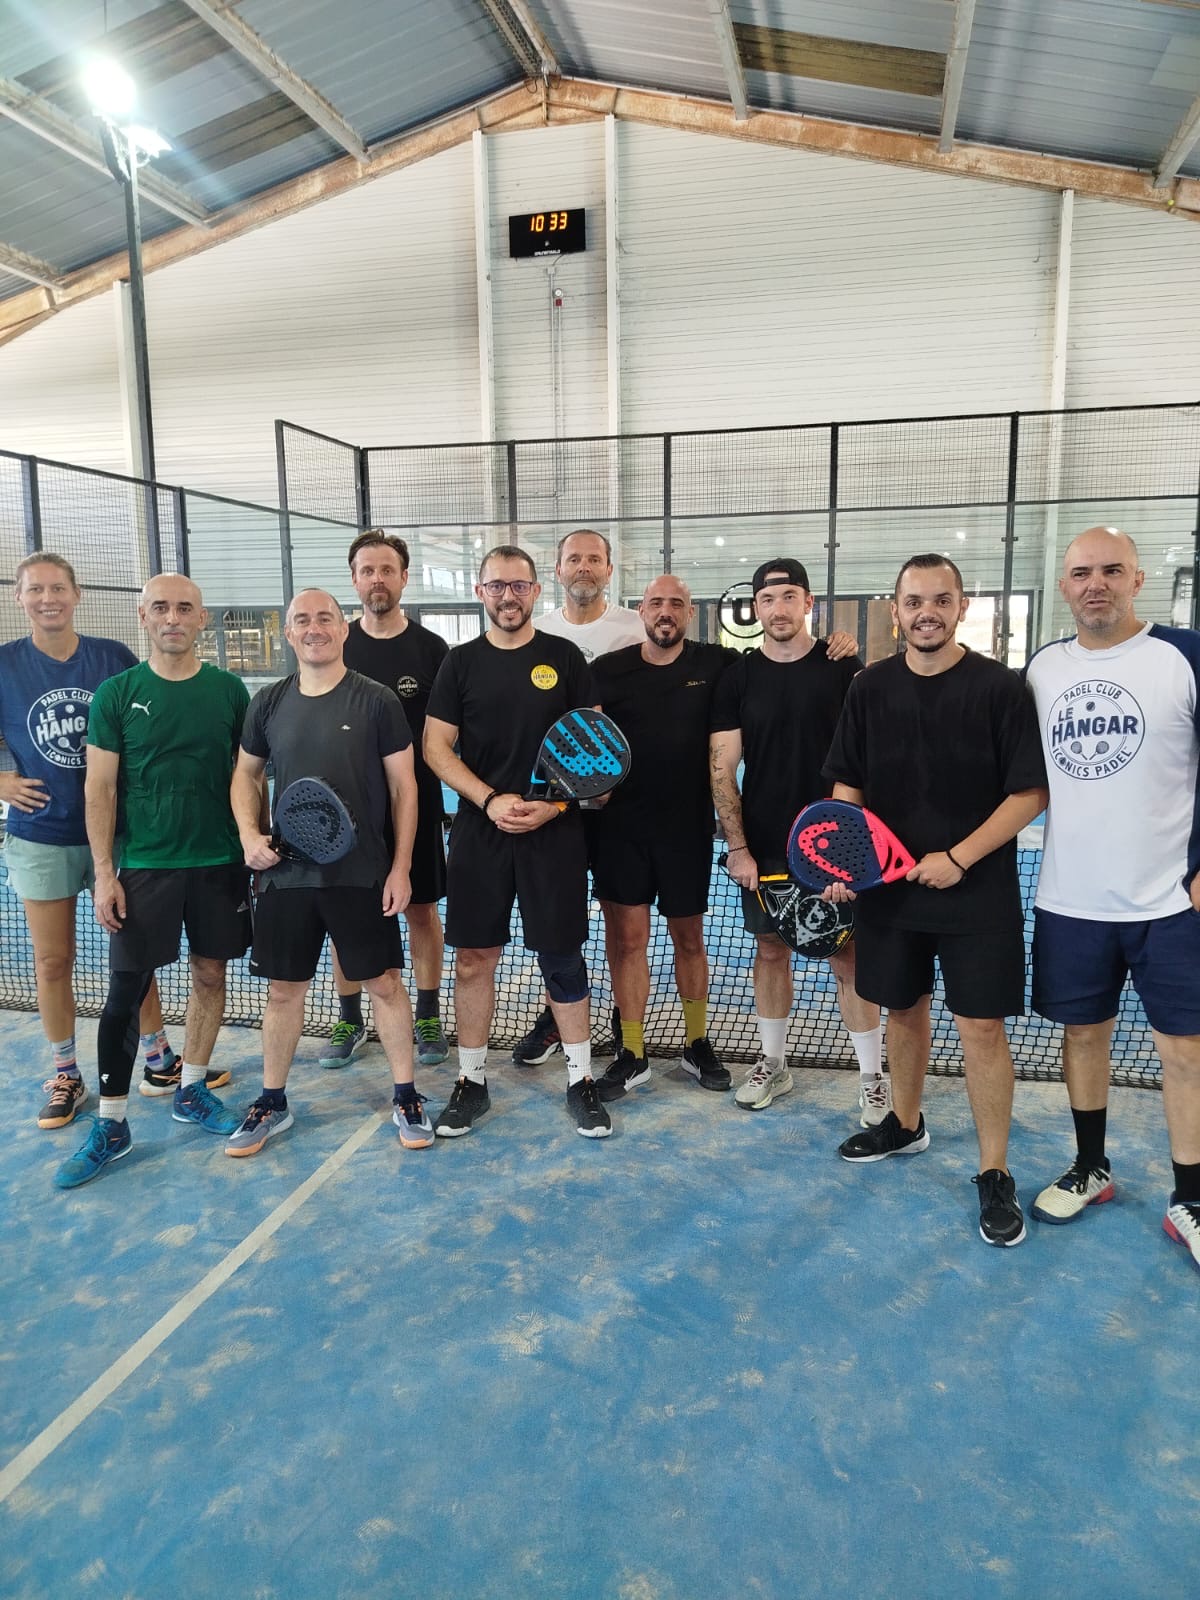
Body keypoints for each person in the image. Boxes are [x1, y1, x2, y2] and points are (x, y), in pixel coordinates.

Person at [823, 553, 1048, 1248]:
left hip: (977, 892)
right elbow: (849, 784)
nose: (928, 613)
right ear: (896, 611)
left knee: (980, 1028)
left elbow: (1030, 793)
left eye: (941, 600)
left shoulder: (1001, 688)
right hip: (890, 894)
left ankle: (994, 1170)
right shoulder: (868, 688)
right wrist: (847, 857)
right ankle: (905, 1123)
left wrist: (957, 859)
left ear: (961, 608)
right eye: (915, 601)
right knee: (902, 1009)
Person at [1025, 526, 1200, 1270]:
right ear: (1065, 586)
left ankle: (1191, 1198)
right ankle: (1091, 1167)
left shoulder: (1184, 656)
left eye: (1111, 570)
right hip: (1071, 899)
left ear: (1136, 579)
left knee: (1185, 1050)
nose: (1095, 584)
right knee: (1083, 1037)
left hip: (1171, 902)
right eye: (1081, 573)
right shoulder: (1041, 669)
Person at [54, 574, 249, 1188]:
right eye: (160, 607)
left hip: (219, 862)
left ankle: (191, 1088)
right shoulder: (116, 694)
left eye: (185, 608)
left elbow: (247, 778)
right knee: (126, 990)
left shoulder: (229, 691)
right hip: (143, 866)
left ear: (202, 618)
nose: (172, 618)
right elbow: (100, 787)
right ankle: (112, 1124)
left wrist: (253, 845)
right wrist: (104, 873)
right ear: (143, 616)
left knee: (211, 975)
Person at [228, 590, 429, 1155]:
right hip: (286, 876)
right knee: (283, 992)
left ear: (343, 629)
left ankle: (407, 1094)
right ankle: (272, 1101)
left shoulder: (377, 701)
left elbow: (404, 788)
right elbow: (245, 775)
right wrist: (249, 836)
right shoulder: (268, 702)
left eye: (324, 619)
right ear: (288, 633)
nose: (313, 628)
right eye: (302, 621)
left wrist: (401, 868)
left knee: (384, 984)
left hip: (360, 875)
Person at [424, 545, 611, 1138]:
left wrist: (553, 806)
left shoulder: (565, 659)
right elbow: (435, 748)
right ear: (480, 592)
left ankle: (581, 1080)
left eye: (519, 586)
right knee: (473, 959)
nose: (509, 596)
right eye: (497, 586)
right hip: (480, 834)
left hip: (554, 835)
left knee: (562, 957)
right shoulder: (459, 664)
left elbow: (595, 749)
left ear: (536, 590)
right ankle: (471, 1081)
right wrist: (489, 799)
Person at [0, 554, 191, 1132]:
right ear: (19, 597)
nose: (48, 598)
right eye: (36, 590)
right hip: (43, 835)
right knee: (52, 960)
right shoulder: (5, 665)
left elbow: (154, 718)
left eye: (58, 588)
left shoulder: (111, 658)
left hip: (120, 834)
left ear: (77, 594)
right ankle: (66, 1072)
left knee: (135, 954)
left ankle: (158, 1057)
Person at [709, 558, 887, 1125]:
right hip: (765, 845)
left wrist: (850, 851)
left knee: (847, 955)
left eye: (789, 597)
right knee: (770, 950)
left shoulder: (843, 666)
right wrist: (738, 847)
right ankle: (773, 1063)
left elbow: (866, 759)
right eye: (767, 599)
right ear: (755, 608)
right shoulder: (738, 677)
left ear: (808, 603)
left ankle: (872, 1077)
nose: (778, 608)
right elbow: (722, 767)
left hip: (836, 845)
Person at [590, 575, 734, 1100]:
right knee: (628, 943)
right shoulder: (606, 671)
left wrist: (838, 647)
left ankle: (696, 1044)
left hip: (687, 831)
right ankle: (633, 1052)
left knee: (689, 940)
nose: (665, 611)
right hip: (620, 832)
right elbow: (587, 737)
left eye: (676, 603)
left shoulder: (717, 664)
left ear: (690, 613)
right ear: (641, 611)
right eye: (656, 603)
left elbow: (777, 665)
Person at [513, 527, 645, 1066]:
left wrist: (831, 646)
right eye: (574, 559)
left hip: (620, 810)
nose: (584, 567)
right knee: (556, 925)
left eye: (594, 558)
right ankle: (557, 1016)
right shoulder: (536, 630)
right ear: (558, 570)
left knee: (622, 924)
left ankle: (623, 1023)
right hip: (553, 809)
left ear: (609, 570)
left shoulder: (636, 628)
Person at [319, 530, 450, 1072]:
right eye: (367, 570)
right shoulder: (335, 644)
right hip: (345, 813)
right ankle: (350, 1016)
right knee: (345, 913)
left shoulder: (432, 650)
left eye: (387, 570)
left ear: (403, 578)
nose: (378, 579)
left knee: (422, 909)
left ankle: (427, 1015)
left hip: (414, 805)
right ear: (354, 580)